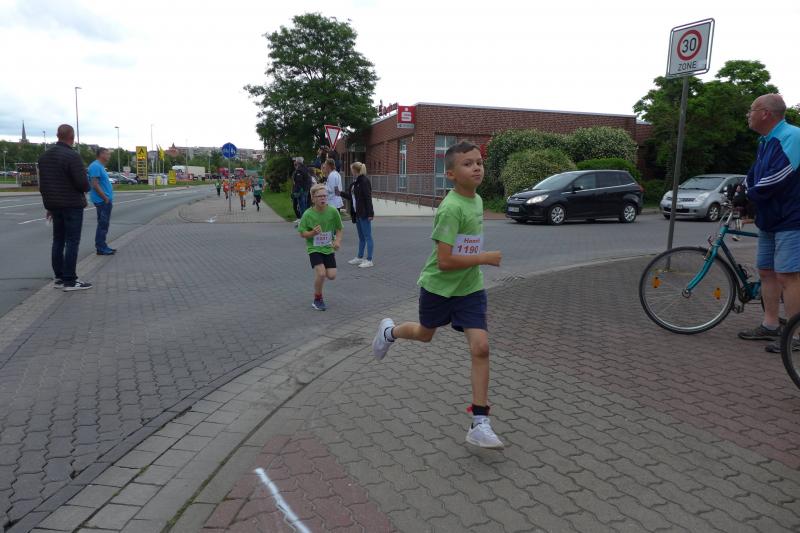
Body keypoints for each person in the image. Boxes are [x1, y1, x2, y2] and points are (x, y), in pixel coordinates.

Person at [371, 141, 504, 449]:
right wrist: (484, 258)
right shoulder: (450, 208)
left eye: (479, 162)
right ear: (451, 174)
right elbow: (444, 261)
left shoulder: (477, 200)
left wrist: (477, 262)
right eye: (468, 164)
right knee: (424, 334)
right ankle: (389, 332)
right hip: (438, 288)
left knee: (481, 347)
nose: (476, 167)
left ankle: (480, 423)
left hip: (470, 288)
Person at [738, 93, 800, 353]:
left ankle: (797, 335)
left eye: (751, 110)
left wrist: (750, 195)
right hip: (770, 218)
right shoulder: (765, 140)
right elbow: (755, 173)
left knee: (788, 275)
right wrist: (741, 189)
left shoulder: (793, 136)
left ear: (765, 113)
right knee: (766, 271)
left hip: (791, 218)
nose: (748, 115)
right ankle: (771, 324)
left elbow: (781, 175)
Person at [37, 124, 92, 291]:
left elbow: (43, 184)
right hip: (72, 205)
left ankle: (59, 278)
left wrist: (49, 205)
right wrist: (86, 187)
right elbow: (82, 183)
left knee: (58, 240)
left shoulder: (44, 157)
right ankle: (70, 280)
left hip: (54, 205)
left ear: (57, 136)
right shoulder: (72, 156)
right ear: (72, 137)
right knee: (72, 241)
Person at [298, 183, 343, 311]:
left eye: (325, 195)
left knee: (332, 275)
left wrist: (337, 241)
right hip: (314, 248)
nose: (323, 198)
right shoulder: (308, 214)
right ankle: (317, 299)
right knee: (321, 273)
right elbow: (302, 233)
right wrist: (312, 233)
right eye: (319, 196)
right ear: (313, 198)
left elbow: (339, 228)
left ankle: (320, 282)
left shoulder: (333, 211)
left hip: (328, 247)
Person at [346, 161, 375, 268]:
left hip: (364, 213)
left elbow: (368, 198)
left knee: (367, 236)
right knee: (361, 237)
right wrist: (340, 193)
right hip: (357, 213)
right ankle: (360, 257)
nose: (351, 171)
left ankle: (369, 260)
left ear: (355, 170)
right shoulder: (356, 182)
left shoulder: (364, 181)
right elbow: (352, 197)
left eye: (351, 169)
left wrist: (370, 213)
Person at [88, 147, 115, 256]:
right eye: (107, 154)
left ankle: (103, 246)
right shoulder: (95, 166)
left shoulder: (100, 166)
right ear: (101, 154)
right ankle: (100, 248)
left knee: (104, 224)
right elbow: (95, 184)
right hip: (102, 201)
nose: (109, 156)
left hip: (104, 200)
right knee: (102, 225)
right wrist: (105, 198)